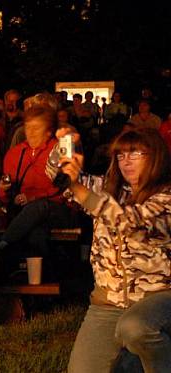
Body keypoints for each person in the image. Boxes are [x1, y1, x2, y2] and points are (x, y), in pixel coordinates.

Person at [64, 128, 171, 373]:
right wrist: (66, 143)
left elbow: (130, 223)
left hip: (159, 296)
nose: (126, 161)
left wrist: (81, 192)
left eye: (135, 153)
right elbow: (56, 174)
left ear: (155, 157)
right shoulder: (109, 190)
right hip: (108, 303)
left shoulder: (166, 198)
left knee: (136, 328)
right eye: (121, 155)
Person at [0, 106, 75, 275]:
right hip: (25, 215)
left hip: (55, 209)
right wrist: (4, 189)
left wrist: (34, 196)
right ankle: (40, 282)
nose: (30, 133)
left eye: (36, 128)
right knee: (36, 232)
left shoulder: (60, 151)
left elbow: (66, 189)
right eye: (28, 127)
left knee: (39, 207)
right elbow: (5, 197)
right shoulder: (15, 154)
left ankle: (3, 244)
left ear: (48, 132)